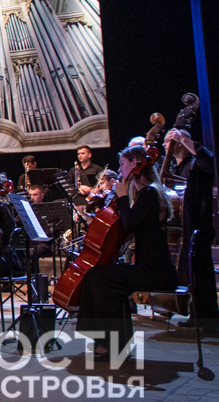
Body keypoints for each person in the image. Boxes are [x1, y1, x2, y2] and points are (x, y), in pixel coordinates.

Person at [75, 145, 178, 358]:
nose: (120, 169)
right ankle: (115, 343)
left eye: (122, 164)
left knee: (98, 277)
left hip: (155, 272)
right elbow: (128, 228)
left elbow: (130, 223)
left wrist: (121, 197)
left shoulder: (149, 193)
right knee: (103, 276)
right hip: (151, 268)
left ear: (135, 164)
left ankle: (110, 345)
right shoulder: (147, 193)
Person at [163, 128, 219, 336]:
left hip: (198, 225)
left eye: (168, 141)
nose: (165, 145)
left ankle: (211, 321)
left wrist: (185, 139)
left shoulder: (196, 163)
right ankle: (195, 315)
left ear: (180, 142)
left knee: (203, 274)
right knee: (192, 275)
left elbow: (209, 160)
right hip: (182, 228)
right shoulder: (174, 168)